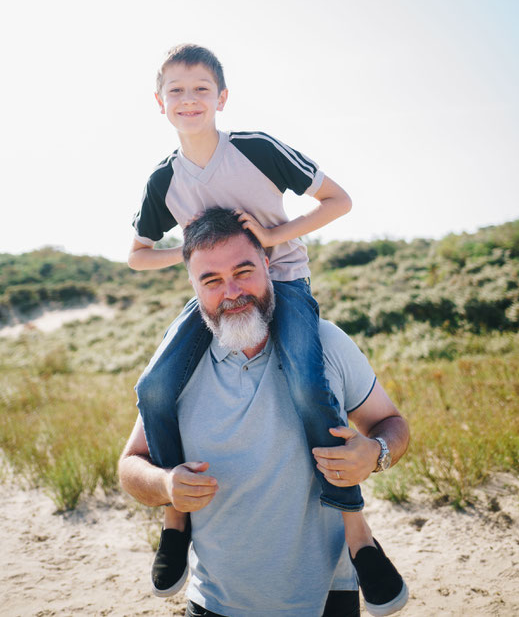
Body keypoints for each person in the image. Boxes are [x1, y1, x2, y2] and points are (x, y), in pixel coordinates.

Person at [128, 44, 407, 614]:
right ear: (159, 103)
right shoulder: (164, 178)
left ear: (222, 97)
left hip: (285, 287)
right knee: (153, 388)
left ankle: (358, 534)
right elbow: (136, 255)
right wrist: (185, 253)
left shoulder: (254, 149)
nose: (189, 99)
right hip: (216, 302)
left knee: (309, 387)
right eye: (176, 90)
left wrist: (272, 237)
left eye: (201, 88)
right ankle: (176, 521)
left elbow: (339, 200)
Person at [119, 208, 410, 617]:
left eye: (243, 271)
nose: (232, 291)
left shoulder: (327, 344)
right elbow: (131, 465)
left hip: (328, 598)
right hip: (212, 602)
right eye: (212, 280)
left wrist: (376, 453)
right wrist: (167, 486)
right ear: (193, 286)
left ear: (268, 265)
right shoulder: (177, 369)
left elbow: (391, 424)